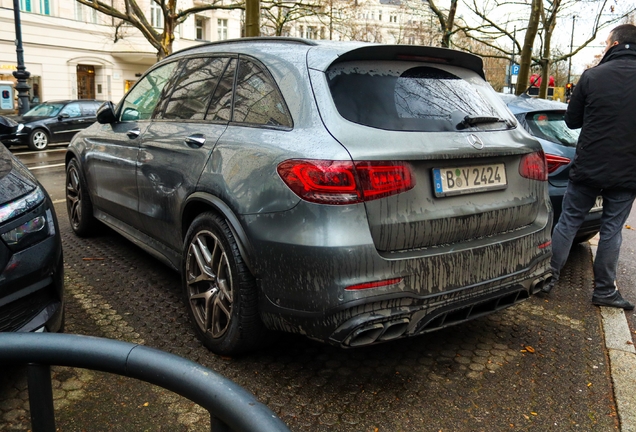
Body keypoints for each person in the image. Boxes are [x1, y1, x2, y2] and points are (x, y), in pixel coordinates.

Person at [542, 24, 636, 310]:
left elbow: (571, 121)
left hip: (589, 166)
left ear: (616, 43)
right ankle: (605, 292)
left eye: (607, 42)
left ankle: (547, 280)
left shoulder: (592, 76)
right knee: (612, 231)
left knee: (568, 222)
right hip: (628, 171)